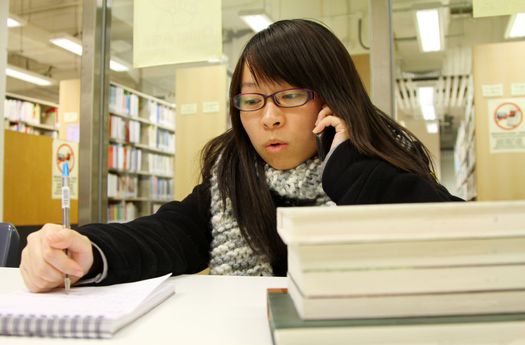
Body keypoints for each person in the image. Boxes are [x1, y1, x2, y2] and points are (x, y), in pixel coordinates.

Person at [20, 19, 462, 292]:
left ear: (333, 99)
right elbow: (171, 233)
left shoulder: (380, 165)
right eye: (252, 100)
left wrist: (350, 171)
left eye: (288, 95)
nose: (268, 118)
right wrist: (90, 250)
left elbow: (459, 243)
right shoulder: (231, 171)